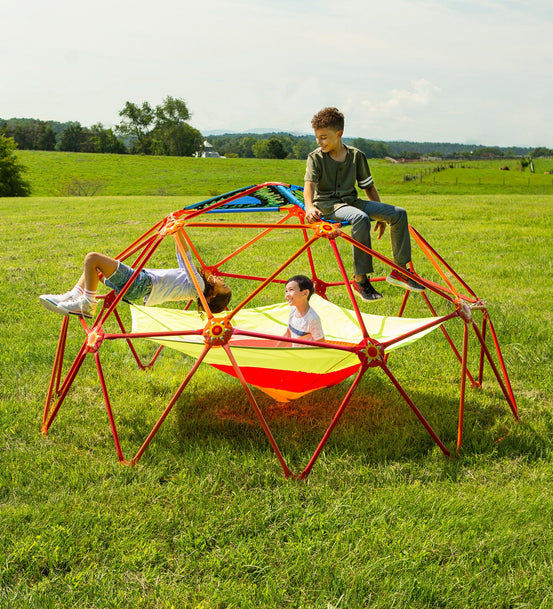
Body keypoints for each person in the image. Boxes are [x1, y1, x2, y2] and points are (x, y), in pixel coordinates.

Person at [303, 107, 425, 302]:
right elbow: (309, 185)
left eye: (324, 137)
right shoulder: (315, 157)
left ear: (339, 134)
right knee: (359, 218)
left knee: (399, 213)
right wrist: (309, 207)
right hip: (328, 205)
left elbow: (368, 187)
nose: (319, 142)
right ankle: (360, 280)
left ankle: (400, 270)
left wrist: (382, 216)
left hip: (352, 201)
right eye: (317, 137)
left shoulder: (356, 156)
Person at [39, 231, 232, 319]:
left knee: (92, 259)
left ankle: (87, 304)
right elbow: (183, 260)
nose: (221, 280)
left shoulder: (197, 285)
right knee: (96, 269)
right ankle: (74, 296)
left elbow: (186, 258)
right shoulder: (193, 287)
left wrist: (178, 230)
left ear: (212, 295)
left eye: (223, 285)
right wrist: (176, 233)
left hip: (140, 283)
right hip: (139, 289)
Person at [278, 275, 324, 347]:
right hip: (296, 354)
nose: (287, 295)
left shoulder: (312, 319)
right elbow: (288, 334)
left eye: (291, 290)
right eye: (286, 291)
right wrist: (276, 350)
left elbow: (320, 343)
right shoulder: (293, 310)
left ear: (305, 293)